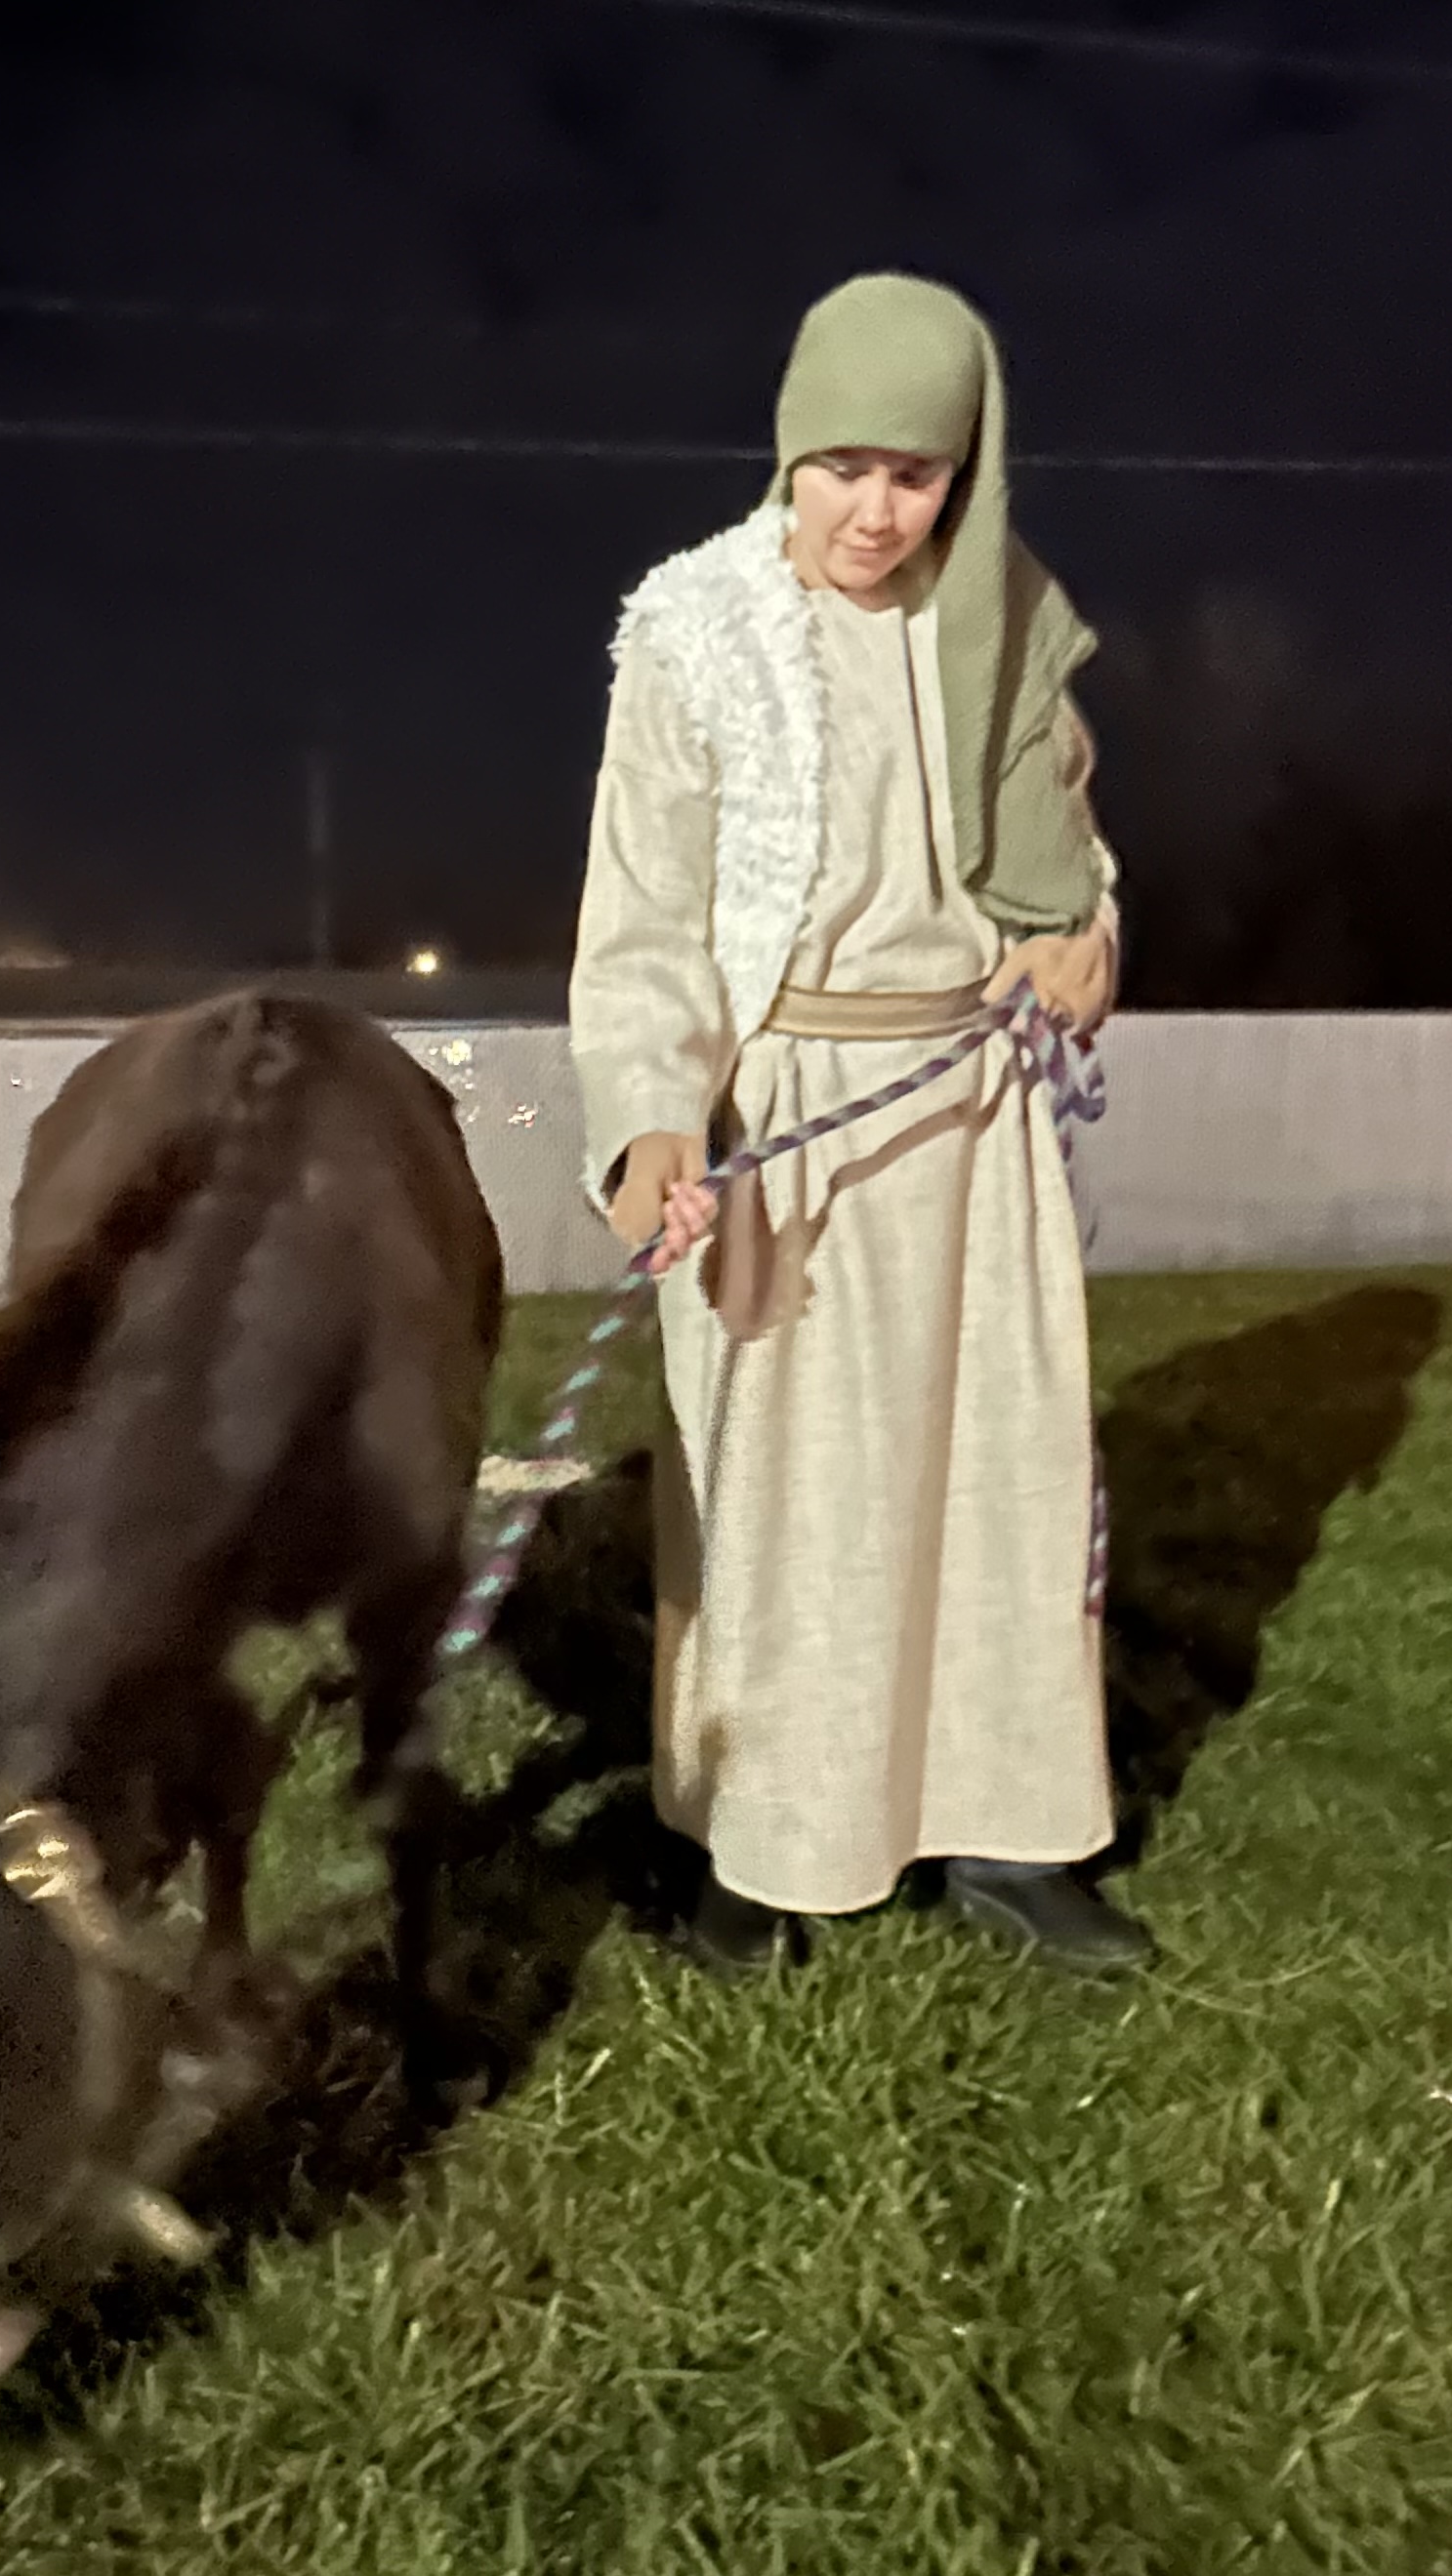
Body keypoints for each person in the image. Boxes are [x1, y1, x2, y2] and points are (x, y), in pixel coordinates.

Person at [565, 270, 1152, 1978]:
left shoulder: (1010, 628)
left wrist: (1078, 939)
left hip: (972, 1109)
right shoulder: (697, 634)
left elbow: (1078, 859)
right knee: (784, 1500)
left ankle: (1012, 1827)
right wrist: (654, 1125)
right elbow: (643, 922)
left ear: (966, 478)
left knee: (1001, 1478)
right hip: (788, 1122)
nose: (875, 513)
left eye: (918, 475)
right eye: (841, 467)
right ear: (787, 449)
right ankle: (767, 1847)